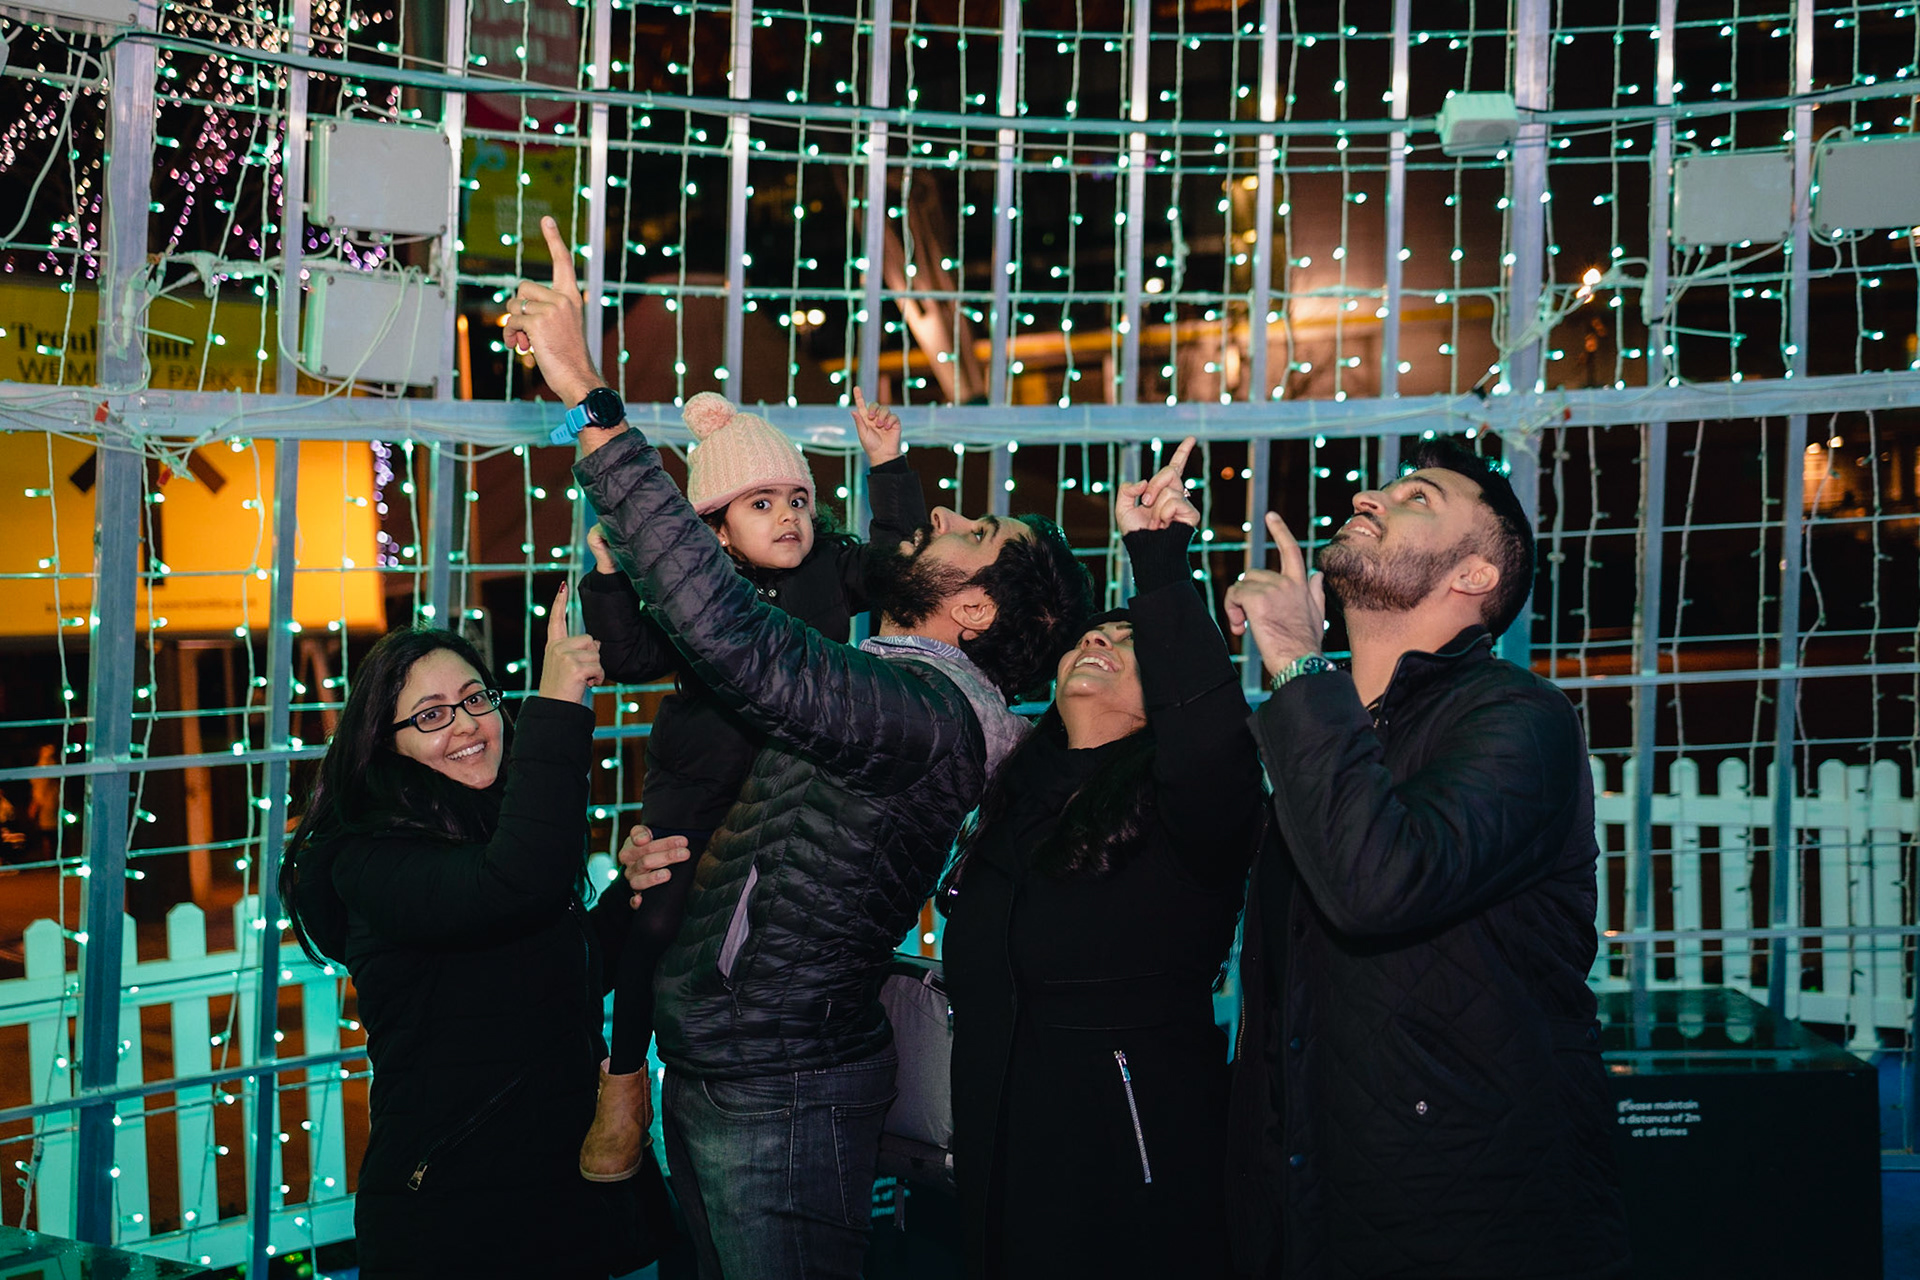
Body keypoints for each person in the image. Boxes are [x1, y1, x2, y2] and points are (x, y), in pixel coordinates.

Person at [505, 214, 1095, 1279]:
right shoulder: (896, 688)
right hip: (731, 1067)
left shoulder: (918, 711)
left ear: (972, 610)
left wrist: (591, 399)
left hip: (779, 1094)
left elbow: (732, 635)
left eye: (971, 534)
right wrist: (670, 855)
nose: (940, 517)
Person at [1221, 441, 1632, 1279]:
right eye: (1382, 488)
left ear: (1474, 576)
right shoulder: (1329, 728)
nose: (1368, 497)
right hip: (1307, 1204)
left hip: (1469, 1214)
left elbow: (1378, 886)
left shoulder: (1520, 717)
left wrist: (1298, 660)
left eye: (1418, 497)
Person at [574, 386, 926, 1181]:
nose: (788, 517)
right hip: (698, 783)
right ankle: (623, 1082)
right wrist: (610, 576)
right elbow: (629, 658)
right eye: (760, 504)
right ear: (717, 529)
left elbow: (902, 570)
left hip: (792, 787)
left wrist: (887, 464)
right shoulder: (701, 582)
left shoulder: (831, 569)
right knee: (657, 918)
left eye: (797, 500)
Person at [940, 437, 1261, 1279]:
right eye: (1094, 632)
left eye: (1133, 641)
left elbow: (1213, 742)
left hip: (1130, 1178)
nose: (1101, 643)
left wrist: (1159, 561)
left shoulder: (1192, 807)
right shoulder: (1010, 789)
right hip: (1000, 1164)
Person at [281, 598, 630, 1279]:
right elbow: (514, 887)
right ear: (386, 743)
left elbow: (557, 969)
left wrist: (632, 890)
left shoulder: (493, 822)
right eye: (431, 715)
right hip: (451, 1216)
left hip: (557, 1193)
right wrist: (556, 708)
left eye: (475, 699)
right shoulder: (370, 859)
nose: (467, 725)